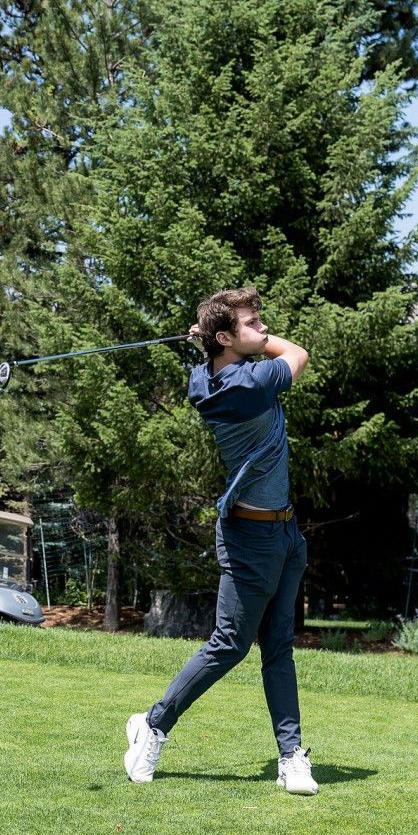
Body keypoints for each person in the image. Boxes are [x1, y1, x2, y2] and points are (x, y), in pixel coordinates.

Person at [123, 287, 317, 794]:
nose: (265, 329)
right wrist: (253, 341)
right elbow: (298, 355)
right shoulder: (248, 385)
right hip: (249, 536)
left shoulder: (204, 376)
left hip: (286, 532)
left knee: (278, 646)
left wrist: (212, 342)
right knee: (230, 644)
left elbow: (211, 365)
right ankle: (154, 724)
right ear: (228, 338)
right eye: (254, 323)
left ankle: (291, 756)